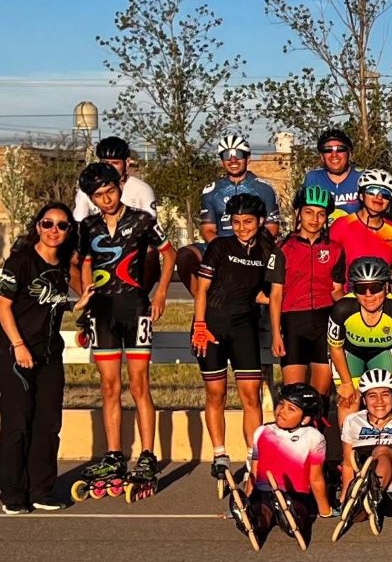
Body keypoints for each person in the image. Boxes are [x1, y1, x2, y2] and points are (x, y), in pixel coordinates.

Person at [73, 161, 173, 490]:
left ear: (120, 186)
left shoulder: (143, 219)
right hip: (103, 312)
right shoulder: (87, 227)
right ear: (91, 198)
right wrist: (86, 298)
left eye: (111, 191)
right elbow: (83, 264)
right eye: (99, 195)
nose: (107, 199)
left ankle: (146, 453)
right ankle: (114, 454)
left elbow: (170, 254)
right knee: (109, 388)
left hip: (137, 308)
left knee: (140, 386)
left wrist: (160, 295)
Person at [192, 194, 284, 482]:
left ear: (259, 222)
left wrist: (277, 326)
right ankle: (219, 454)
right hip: (211, 328)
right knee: (216, 394)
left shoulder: (269, 253)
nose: (242, 228)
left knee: (251, 396)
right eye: (236, 222)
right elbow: (202, 290)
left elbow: (269, 294)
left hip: (245, 328)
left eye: (247, 222)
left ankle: (253, 456)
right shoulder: (219, 246)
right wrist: (199, 324)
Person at [0, 203, 79, 513]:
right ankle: (12, 493)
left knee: (48, 423)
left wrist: (79, 304)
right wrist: (18, 345)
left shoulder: (62, 267)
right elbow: (3, 307)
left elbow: (57, 304)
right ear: (37, 226)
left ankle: (41, 490)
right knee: (18, 424)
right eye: (48, 224)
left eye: (61, 225)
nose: (54, 230)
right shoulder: (19, 262)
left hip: (48, 354)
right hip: (16, 352)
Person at [233, 383, 333, 548]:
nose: (282, 410)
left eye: (291, 409)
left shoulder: (313, 437)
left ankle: (290, 519)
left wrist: (324, 509)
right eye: (281, 404)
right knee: (261, 511)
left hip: (295, 494)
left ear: (306, 418)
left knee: (299, 510)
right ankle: (254, 521)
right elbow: (255, 469)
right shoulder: (262, 431)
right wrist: (249, 498)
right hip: (263, 491)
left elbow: (315, 478)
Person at [327, 258, 392, 426]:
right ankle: (349, 450)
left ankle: (385, 447)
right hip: (351, 353)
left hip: (384, 352)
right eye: (361, 288)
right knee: (349, 399)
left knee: (386, 400)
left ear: (386, 287)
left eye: (375, 288)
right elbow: (335, 348)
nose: (368, 295)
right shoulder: (342, 309)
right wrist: (346, 384)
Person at [278, 186, 345, 396]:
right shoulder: (283, 248)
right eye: (309, 212)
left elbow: (337, 291)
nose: (315, 219)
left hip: (324, 322)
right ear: (298, 213)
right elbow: (274, 295)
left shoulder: (335, 249)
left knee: (321, 395)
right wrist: (275, 335)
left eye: (321, 214)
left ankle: (319, 430)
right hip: (292, 322)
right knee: (294, 396)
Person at [338, 368, 392, 520]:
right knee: (352, 513)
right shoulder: (352, 421)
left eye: (385, 394)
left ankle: (371, 494)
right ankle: (361, 507)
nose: (379, 401)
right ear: (364, 400)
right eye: (372, 396)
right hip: (362, 486)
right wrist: (344, 497)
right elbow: (348, 464)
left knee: (382, 451)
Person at [198, 134, 280, 243]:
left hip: (255, 248)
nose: (233, 160)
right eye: (227, 155)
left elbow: (272, 228)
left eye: (238, 154)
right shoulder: (211, 191)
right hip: (221, 248)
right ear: (221, 161)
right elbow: (208, 230)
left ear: (248, 159)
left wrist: (250, 248)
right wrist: (225, 252)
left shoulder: (265, 189)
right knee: (185, 254)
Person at [330, 168, 392, 274]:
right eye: (372, 191)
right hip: (349, 290)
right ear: (361, 195)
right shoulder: (342, 225)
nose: (379, 197)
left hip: (381, 290)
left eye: (386, 194)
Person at [72, 136, 156, 221]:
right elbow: (78, 222)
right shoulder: (87, 189)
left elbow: (151, 224)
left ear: (126, 163)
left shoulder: (142, 190)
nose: (109, 167)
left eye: (115, 163)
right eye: (105, 163)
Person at [299, 128, 362, 217]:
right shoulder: (313, 178)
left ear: (350, 154)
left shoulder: (362, 177)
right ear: (322, 156)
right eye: (327, 150)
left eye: (340, 149)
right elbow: (302, 218)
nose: (334, 154)